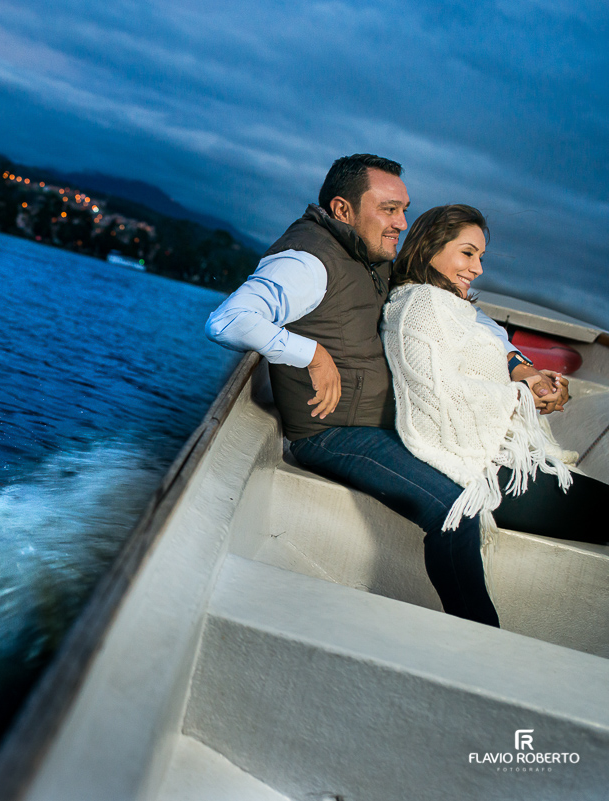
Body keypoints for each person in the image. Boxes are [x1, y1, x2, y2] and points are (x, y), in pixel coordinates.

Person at [204, 154, 567, 627]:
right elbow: (228, 319)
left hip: (393, 424)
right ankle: (483, 638)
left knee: (504, 479)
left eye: (404, 209)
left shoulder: (372, 256)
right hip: (334, 433)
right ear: (342, 209)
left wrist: (519, 365)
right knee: (452, 506)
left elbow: (475, 321)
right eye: (389, 209)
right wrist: (310, 354)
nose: (402, 222)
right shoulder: (307, 261)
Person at [382, 204, 605, 539]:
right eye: (468, 253)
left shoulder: (455, 306)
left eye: (480, 257)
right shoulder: (423, 304)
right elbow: (437, 394)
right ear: (429, 247)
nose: (478, 268)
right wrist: (520, 399)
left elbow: (497, 345)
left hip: (494, 455)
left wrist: (533, 381)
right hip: (470, 466)